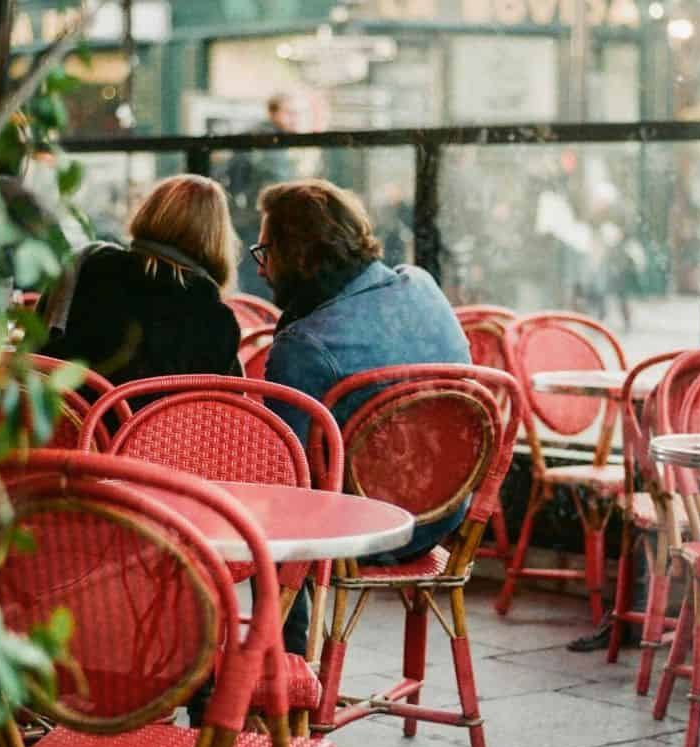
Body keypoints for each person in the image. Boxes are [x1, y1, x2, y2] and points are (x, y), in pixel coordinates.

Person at [256, 178, 472, 559]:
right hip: (446, 514)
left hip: (364, 532)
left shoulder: (304, 346)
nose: (260, 271)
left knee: (263, 508)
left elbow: (284, 477)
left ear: (296, 254)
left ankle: (279, 605)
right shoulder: (423, 285)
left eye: (265, 253)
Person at [37, 174, 242, 397]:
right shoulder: (216, 318)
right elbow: (223, 408)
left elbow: (34, 349)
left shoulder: (85, 265)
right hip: (156, 422)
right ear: (218, 237)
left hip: (67, 416)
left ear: (148, 211)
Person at [223, 93, 299, 298]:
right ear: (274, 113)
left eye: (298, 113)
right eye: (290, 113)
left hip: (255, 220)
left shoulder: (273, 142)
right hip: (259, 221)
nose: (295, 119)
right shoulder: (268, 144)